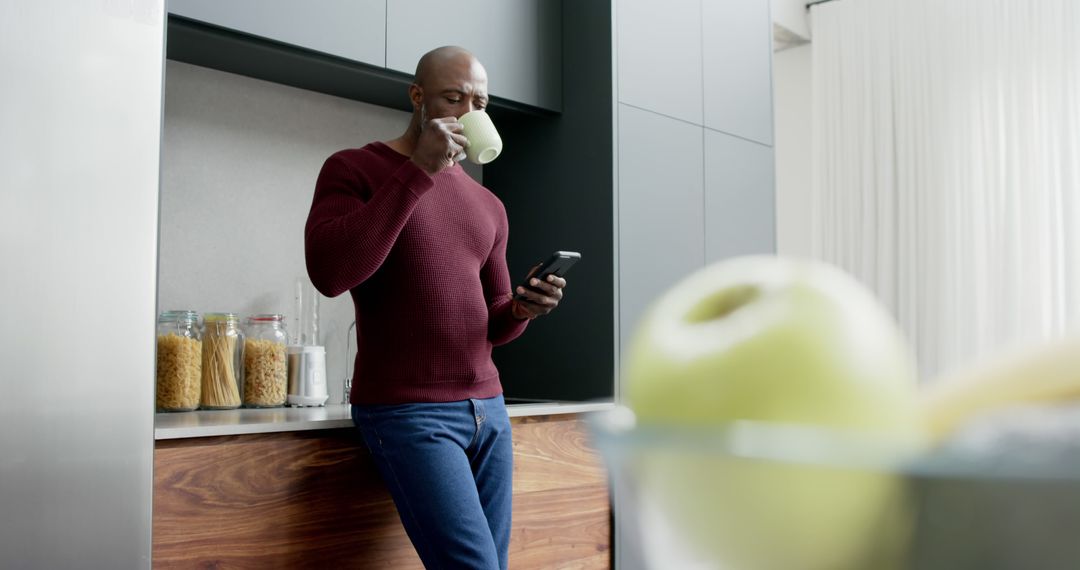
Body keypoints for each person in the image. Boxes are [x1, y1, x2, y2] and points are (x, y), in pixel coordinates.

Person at [304, 46, 566, 569]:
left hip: (489, 410)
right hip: (408, 411)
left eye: (480, 101)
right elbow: (331, 275)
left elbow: (492, 316)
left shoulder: (488, 204)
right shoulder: (353, 168)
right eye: (454, 97)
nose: (469, 111)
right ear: (418, 97)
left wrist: (521, 309)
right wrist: (421, 168)